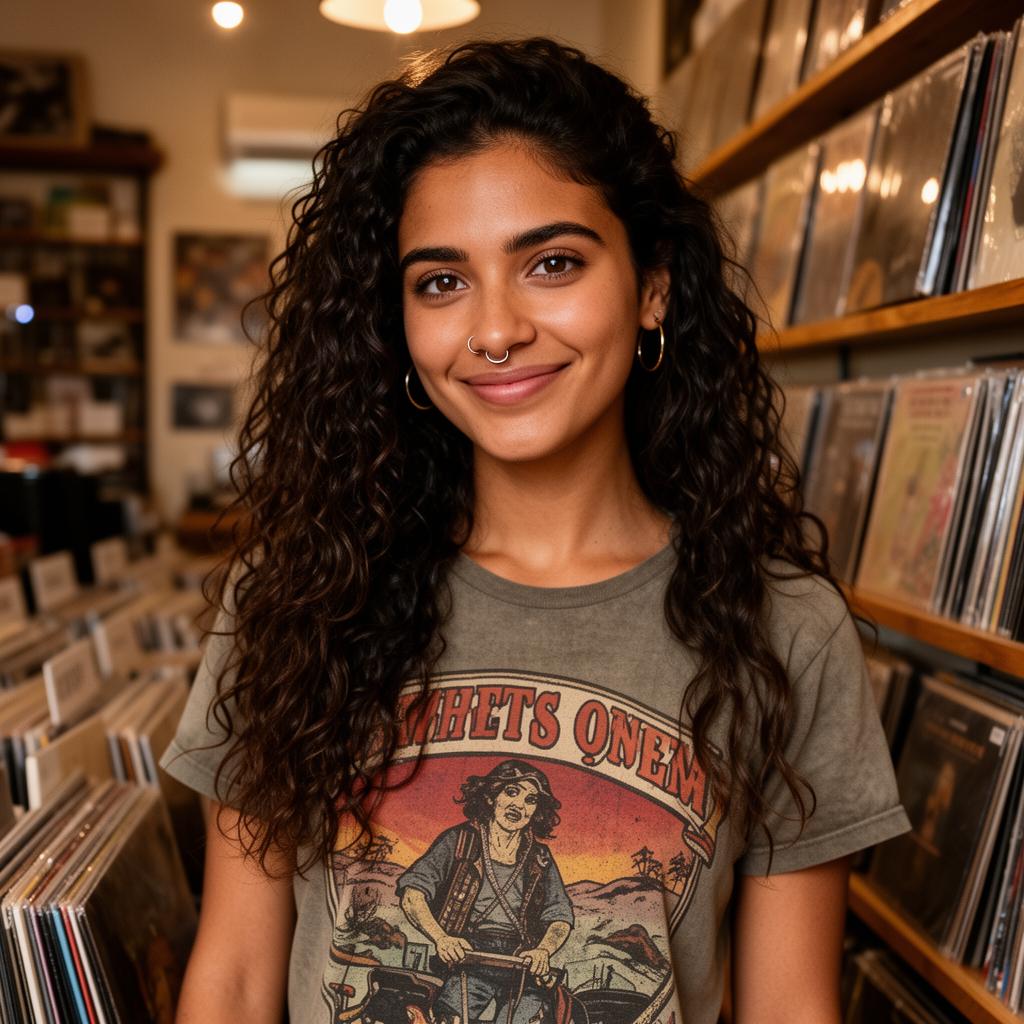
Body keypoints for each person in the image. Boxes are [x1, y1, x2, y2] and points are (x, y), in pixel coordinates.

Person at [161, 37, 910, 1024]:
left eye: (552, 263)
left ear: (653, 286)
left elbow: (790, 1010)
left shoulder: (785, 629)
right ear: (396, 323)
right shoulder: (294, 598)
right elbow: (233, 980)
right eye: (441, 281)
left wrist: (552, 947)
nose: (496, 329)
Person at [397, 760, 572, 1024]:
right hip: (468, 957)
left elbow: (560, 916)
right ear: (491, 796)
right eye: (511, 792)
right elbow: (412, 895)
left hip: (522, 963)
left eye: (530, 799)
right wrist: (442, 939)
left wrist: (543, 951)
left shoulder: (540, 857)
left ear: (536, 811)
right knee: (450, 1017)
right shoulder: (459, 841)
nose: (519, 805)